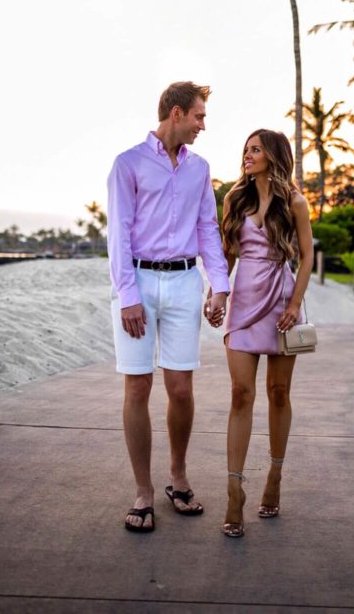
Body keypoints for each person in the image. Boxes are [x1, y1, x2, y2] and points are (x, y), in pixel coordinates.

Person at [107, 82, 230, 533]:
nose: (203, 125)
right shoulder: (128, 164)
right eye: (199, 116)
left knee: (180, 389)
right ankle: (143, 491)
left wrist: (219, 286)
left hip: (182, 282)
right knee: (137, 388)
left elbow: (208, 230)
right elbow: (118, 233)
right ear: (176, 113)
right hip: (137, 280)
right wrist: (128, 296)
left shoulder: (200, 170)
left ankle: (177, 478)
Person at [205, 129, 313, 538]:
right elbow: (225, 254)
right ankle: (234, 492)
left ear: (274, 155)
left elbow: (306, 257)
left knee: (279, 393)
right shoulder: (235, 199)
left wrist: (294, 304)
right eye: (245, 150)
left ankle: (275, 476)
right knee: (240, 393)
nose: (247, 156)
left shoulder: (296, 202)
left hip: (282, 302)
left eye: (255, 149)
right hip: (244, 304)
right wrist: (216, 295)